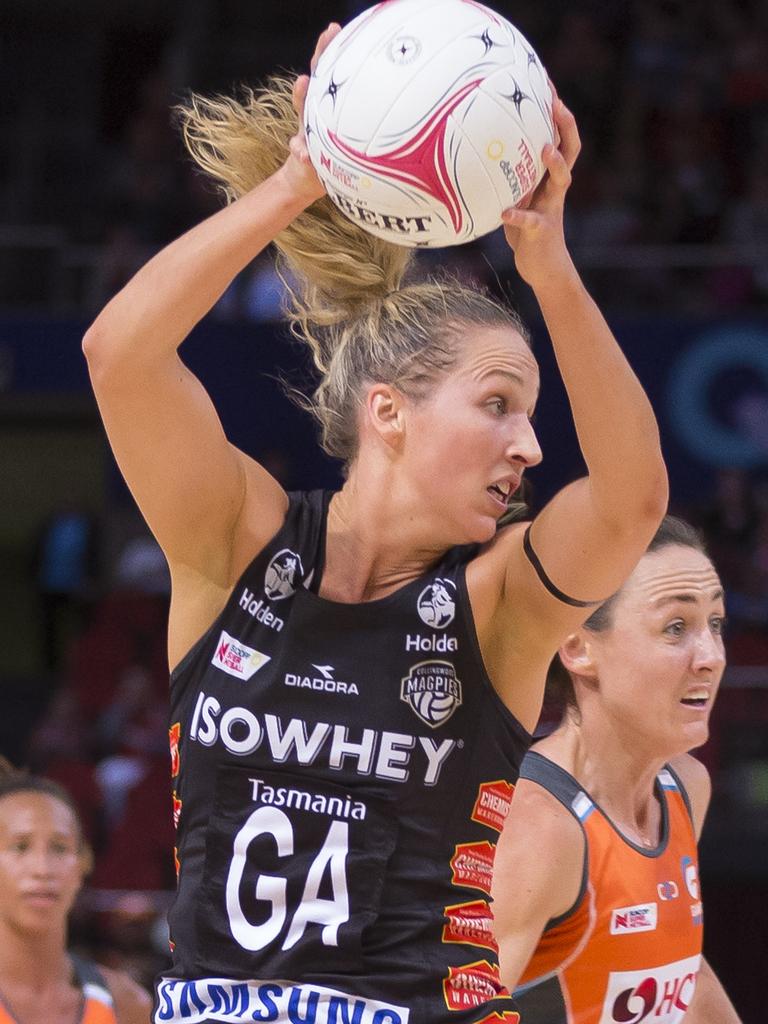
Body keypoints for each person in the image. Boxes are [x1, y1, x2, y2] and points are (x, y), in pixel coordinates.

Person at [82, 20, 668, 1024]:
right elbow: (120, 355)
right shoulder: (241, 542)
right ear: (387, 412)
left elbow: (631, 502)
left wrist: (549, 265)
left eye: (530, 417)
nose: (530, 447)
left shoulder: (494, 608)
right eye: (497, 406)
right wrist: (297, 182)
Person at [491, 516, 742, 1023]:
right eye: (676, 628)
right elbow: (441, 1011)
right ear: (577, 647)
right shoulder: (539, 827)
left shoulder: (686, 787)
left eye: (714, 624)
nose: (711, 656)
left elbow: (681, 974)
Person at [0, 760, 152, 1024]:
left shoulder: (127, 1004)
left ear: (84, 863)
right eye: (20, 846)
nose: (42, 869)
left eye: (59, 848)